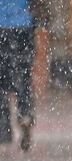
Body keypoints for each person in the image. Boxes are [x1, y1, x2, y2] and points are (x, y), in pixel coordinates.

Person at [0, 0, 48, 152]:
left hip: (1, 28)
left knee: (1, 83)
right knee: (24, 77)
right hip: (24, 27)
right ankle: (25, 114)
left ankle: (4, 132)